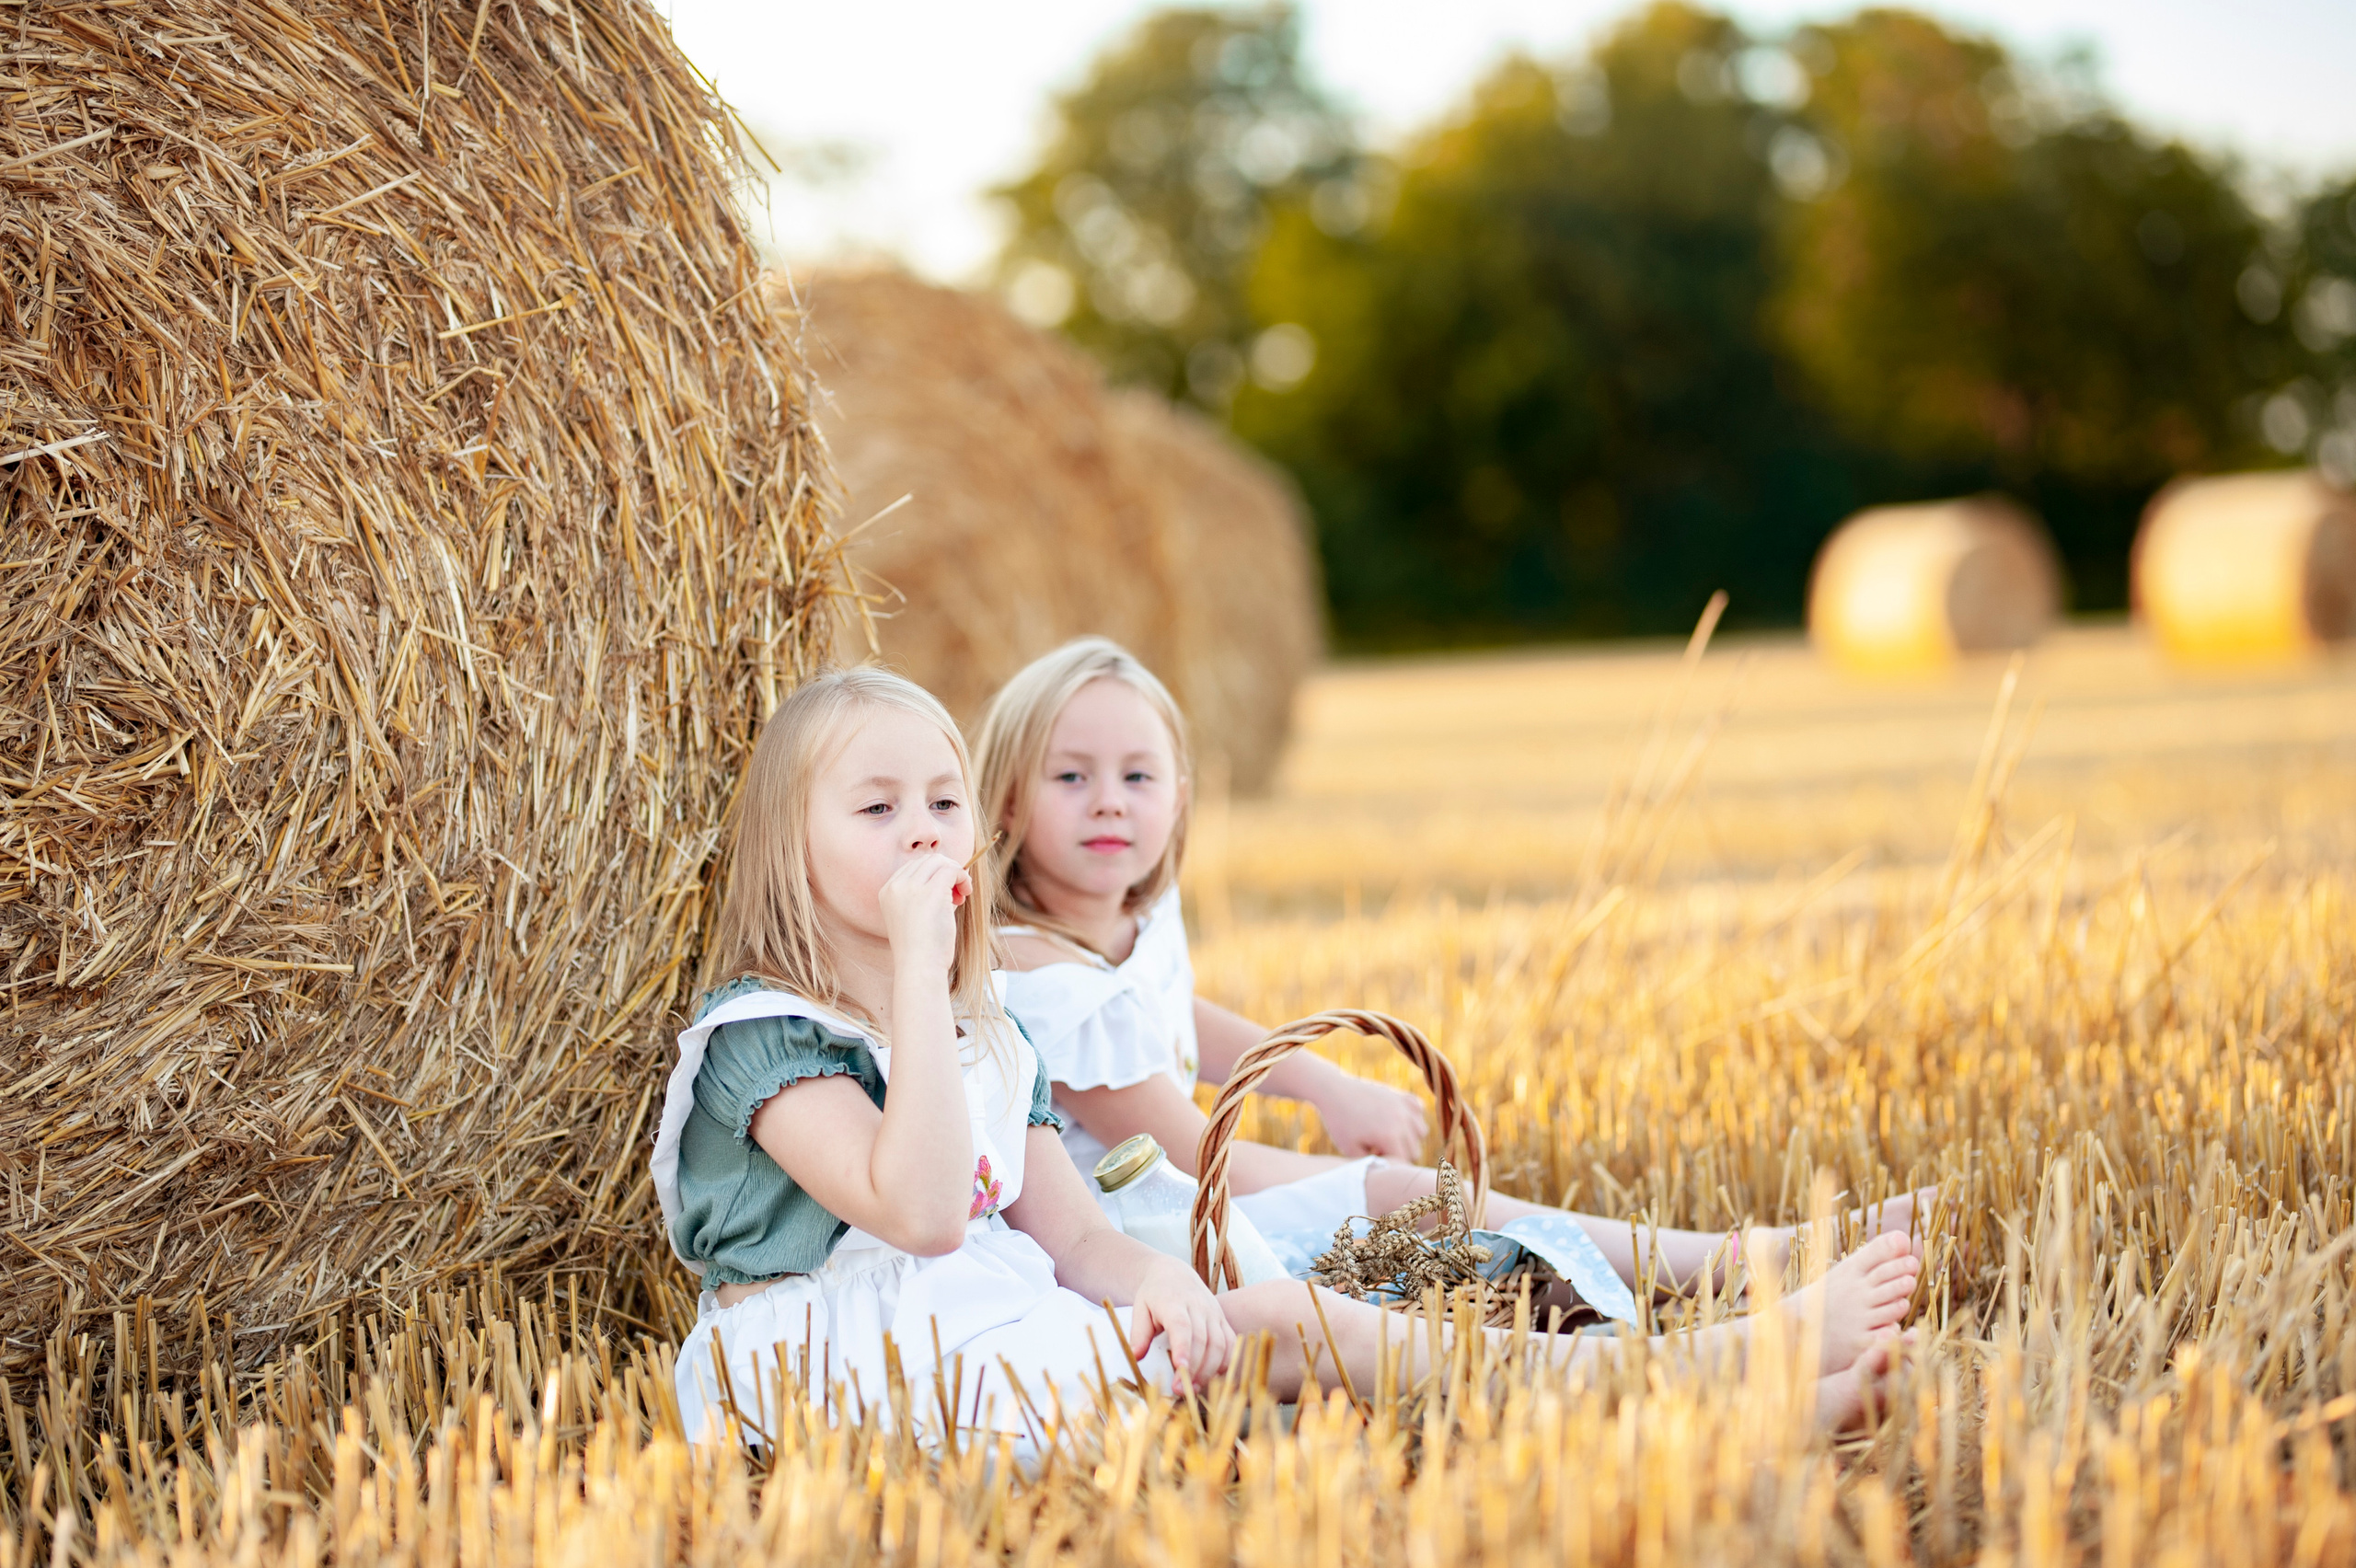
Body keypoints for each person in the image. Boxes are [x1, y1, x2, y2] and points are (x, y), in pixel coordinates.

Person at [653, 667, 1920, 1450]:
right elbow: (926, 1214)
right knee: (1321, 1326)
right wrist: (928, 984)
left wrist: (1156, 1283)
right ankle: (1698, 1374)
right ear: (789, 844)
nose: (920, 832)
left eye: (937, 801)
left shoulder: (989, 1025)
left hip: (1018, 1312)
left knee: (1340, 1322)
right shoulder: (773, 1041)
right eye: (877, 809)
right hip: (862, 1379)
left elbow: (1078, 1236)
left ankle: (1699, 1365)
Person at [973, 638, 1930, 1310]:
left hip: (1187, 1210)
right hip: (1136, 1251)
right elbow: (1200, 1160)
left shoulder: (1124, 919)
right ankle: (1741, 1262)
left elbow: (1165, 1009)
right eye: (1071, 778)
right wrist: (1370, 1179)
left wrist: (1322, 1079)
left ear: (1181, 796)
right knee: (1416, 1208)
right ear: (1007, 799)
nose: (1110, 803)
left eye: (1138, 777)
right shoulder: (1038, 975)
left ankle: (1704, 1268)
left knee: (1460, 1247)